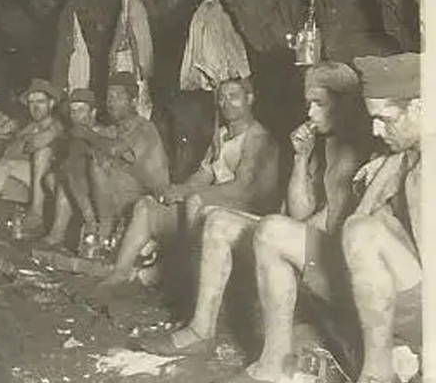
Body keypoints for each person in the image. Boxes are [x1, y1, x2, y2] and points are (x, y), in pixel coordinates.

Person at [141, 62, 369, 363]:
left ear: (344, 105)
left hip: (339, 261)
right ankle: (200, 330)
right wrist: (301, 160)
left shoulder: (363, 146)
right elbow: (302, 212)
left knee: (265, 225)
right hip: (309, 243)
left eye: (319, 105)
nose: (310, 114)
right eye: (308, 104)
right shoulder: (326, 143)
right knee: (217, 221)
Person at [99, 77, 280, 288]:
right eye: (221, 98)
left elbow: (244, 189)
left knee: (194, 203)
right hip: (211, 205)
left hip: (243, 214)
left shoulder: (257, 138)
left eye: (234, 97)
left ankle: (182, 285)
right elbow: (204, 173)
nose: (226, 103)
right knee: (146, 207)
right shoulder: (221, 135)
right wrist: (178, 189)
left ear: (249, 99)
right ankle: (120, 274)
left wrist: (193, 196)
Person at [340, 53, 421, 383]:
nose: (375, 129)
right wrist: (395, 159)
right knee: (373, 223)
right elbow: (360, 215)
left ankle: (378, 375)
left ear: (419, 107)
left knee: (365, 232)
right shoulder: (411, 156)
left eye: (385, 119)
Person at [70, 72, 170, 252]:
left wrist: (86, 134)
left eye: (118, 96)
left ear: (133, 101)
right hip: (124, 194)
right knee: (76, 162)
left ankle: (106, 230)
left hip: (151, 201)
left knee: (97, 163)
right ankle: (94, 226)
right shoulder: (115, 129)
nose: (111, 102)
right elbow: (93, 146)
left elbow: (114, 149)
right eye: (109, 97)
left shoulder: (144, 127)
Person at [0, 79, 64, 237]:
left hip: (55, 179)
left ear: (51, 103)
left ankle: (36, 216)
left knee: (32, 157)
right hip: (34, 178)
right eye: (31, 102)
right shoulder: (31, 126)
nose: (35, 107)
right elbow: (10, 151)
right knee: (5, 166)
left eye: (41, 102)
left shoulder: (56, 125)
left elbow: (42, 141)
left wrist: (32, 140)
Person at [39, 88, 104, 249]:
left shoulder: (102, 132)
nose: (75, 115)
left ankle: (66, 231)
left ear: (93, 112)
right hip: (81, 187)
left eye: (81, 110)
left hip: (105, 186)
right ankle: (61, 233)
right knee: (57, 177)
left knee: (68, 174)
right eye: (73, 111)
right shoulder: (74, 136)